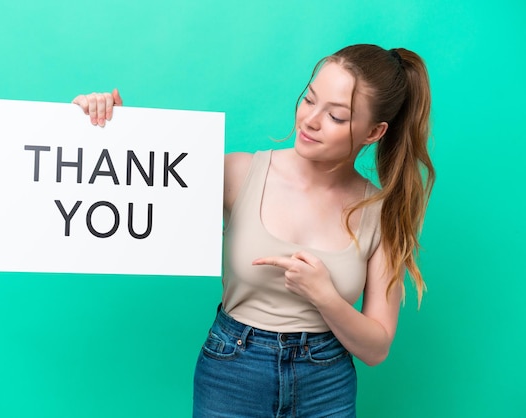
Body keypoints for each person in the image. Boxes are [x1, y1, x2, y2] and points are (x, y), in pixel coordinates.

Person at [73, 43, 435, 418]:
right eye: (309, 100)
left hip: (326, 385)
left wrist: (325, 296)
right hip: (232, 371)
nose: (310, 120)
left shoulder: (380, 211)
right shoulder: (238, 174)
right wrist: (105, 126)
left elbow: (376, 348)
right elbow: (140, 183)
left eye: (337, 117)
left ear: (374, 132)